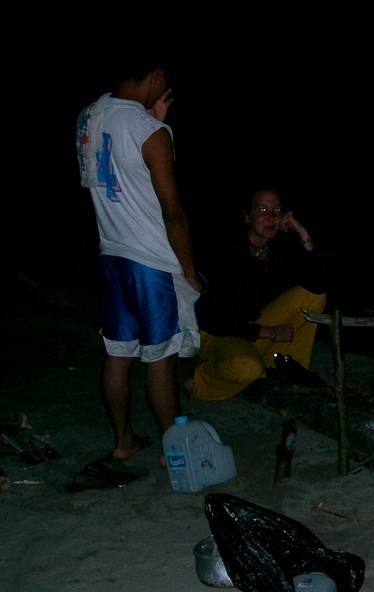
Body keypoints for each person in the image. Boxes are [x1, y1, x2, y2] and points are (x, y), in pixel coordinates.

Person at [75, 60, 204, 464]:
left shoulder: (89, 116)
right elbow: (173, 211)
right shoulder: (151, 132)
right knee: (159, 356)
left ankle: (124, 439)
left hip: (111, 252)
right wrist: (186, 271)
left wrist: (152, 121)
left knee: (118, 352)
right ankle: (172, 449)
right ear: (154, 76)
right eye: (164, 78)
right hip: (149, 260)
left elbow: (118, 164)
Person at [183, 187, 328, 401]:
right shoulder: (226, 250)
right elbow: (215, 319)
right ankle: (197, 380)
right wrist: (270, 332)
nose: (271, 217)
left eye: (277, 210)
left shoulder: (279, 248)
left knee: (314, 298)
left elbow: (318, 285)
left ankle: (283, 370)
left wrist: (304, 235)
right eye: (262, 209)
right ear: (247, 216)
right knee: (248, 368)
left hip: (252, 328)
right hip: (217, 334)